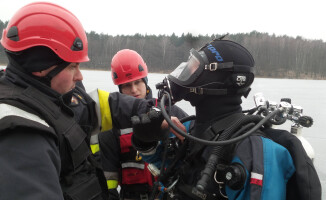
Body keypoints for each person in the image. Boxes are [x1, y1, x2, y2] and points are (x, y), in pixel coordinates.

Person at [0, 3, 188, 200]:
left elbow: (106, 105)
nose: (80, 76)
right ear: (42, 67)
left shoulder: (52, 96)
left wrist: (154, 111)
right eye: (73, 66)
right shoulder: (20, 136)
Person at [130, 39, 322, 200]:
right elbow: (169, 173)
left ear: (216, 78)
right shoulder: (188, 127)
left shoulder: (256, 151)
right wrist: (146, 142)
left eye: (194, 68)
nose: (185, 73)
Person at [98, 49, 190, 200]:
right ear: (119, 89)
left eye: (137, 82)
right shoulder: (112, 126)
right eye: (127, 85)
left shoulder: (169, 112)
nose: (134, 90)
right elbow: (108, 178)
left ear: (145, 81)